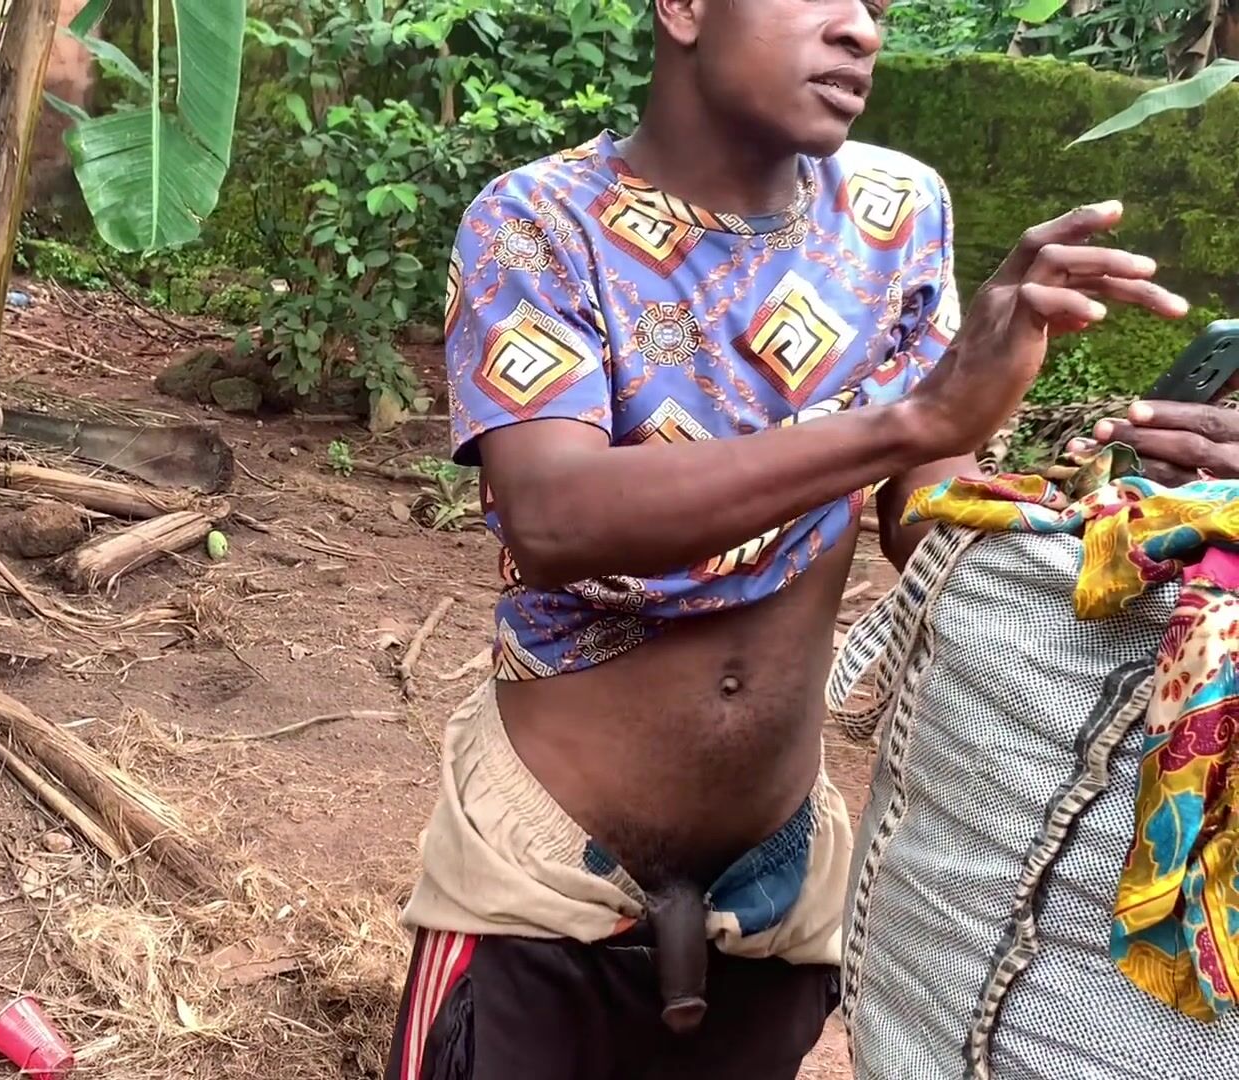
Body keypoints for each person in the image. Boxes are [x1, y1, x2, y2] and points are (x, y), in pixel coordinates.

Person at [382, 1, 1208, 1077]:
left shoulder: (897, 210)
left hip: (776, 885)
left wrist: (1127, 511)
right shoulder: (540, 219)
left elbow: (922, 516)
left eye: (878, 6)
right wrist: (915, 420)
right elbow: (555, 517)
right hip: (546, 870)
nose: (861, 31)